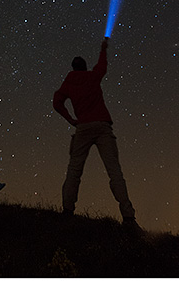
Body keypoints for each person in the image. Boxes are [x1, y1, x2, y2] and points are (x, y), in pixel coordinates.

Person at [53, 38, 139, 229]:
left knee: (74, 171)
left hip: (82, 127)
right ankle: (129, 218)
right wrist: (103, 49)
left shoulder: (69, 82)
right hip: (102, 126)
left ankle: (67, 212)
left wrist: (70, 119)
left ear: (74, 68)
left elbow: (56, 102)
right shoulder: (92, 76)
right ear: (84, 67)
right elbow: (102, 65)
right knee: (114, 171)